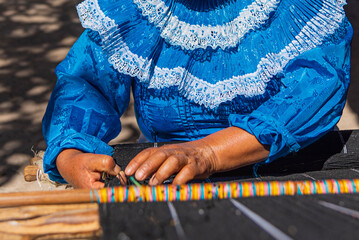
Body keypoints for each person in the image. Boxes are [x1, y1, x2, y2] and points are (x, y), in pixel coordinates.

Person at [42, 0, 352, 188]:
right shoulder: (137, 8)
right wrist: (72, 156)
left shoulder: (294, 7)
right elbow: (87, 84)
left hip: (291, 174)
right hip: (169, 181)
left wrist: (208, 152)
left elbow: (317, 88)